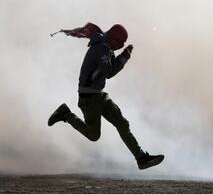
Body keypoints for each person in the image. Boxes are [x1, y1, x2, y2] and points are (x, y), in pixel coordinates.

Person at [48, 23, 164, 170]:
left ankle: (141, 158)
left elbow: (106, 70)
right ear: (114, 40)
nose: (119, 47)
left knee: (122, 124)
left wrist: (123, 56)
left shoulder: (104, 47)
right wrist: (123, 58)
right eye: (119, 44)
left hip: (98, 95)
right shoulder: (101, 49)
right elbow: (108, 72)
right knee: (93, 135)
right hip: (89, 98)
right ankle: (65, 114)